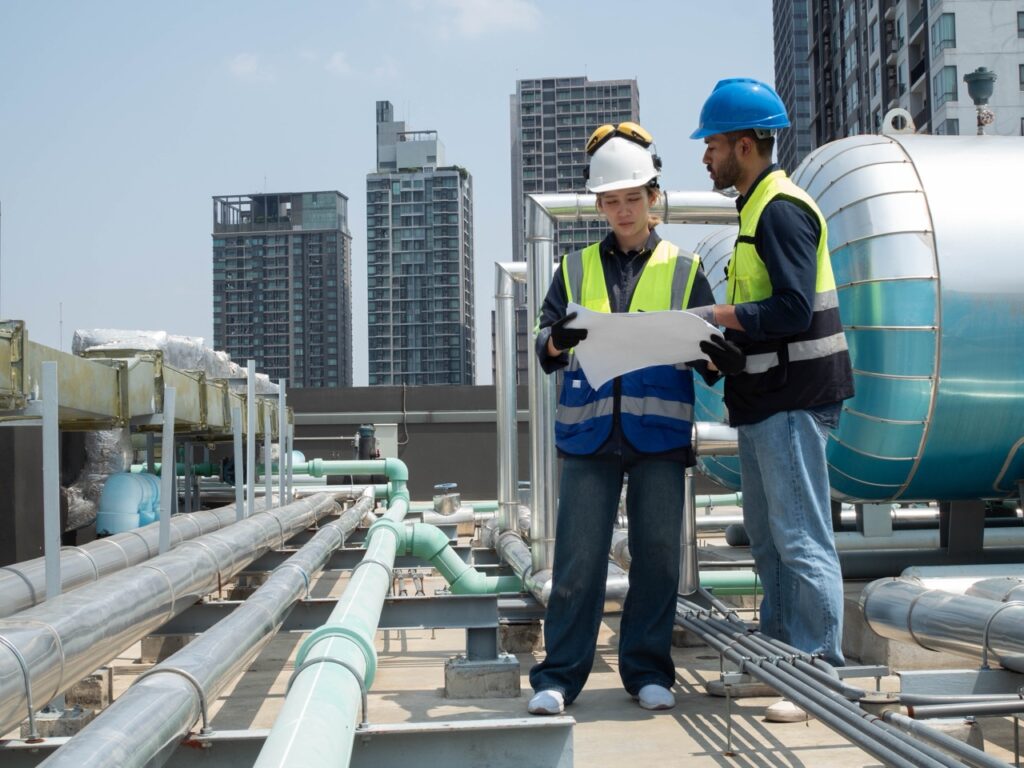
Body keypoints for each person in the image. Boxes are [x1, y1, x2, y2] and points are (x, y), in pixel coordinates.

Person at [527, 121, 715, 716]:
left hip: (658, 435)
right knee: (578, 560)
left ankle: (647, 671)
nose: (624, 210)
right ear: (599, 204)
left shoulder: (685, 270)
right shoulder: (573, 268)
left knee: (658, 557)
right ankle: (558, 677)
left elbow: (707, 350)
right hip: (587, 435)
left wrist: (716, 355)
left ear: (652, 198)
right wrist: (558, 339)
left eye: (633, 199)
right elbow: (542, 349)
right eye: (612, 201)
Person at [689, 78, 854, 722]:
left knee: (800, 536)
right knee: (768, 538)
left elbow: (789, 309)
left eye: (712, 144)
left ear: (745, 144)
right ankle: (786, 661)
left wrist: (719, 314)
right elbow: (769, 321)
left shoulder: (781, 209)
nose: (705, 156)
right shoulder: (754, 209)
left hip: (793, 402)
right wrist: (723, 345)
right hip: (764, 400)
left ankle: (821, 672)